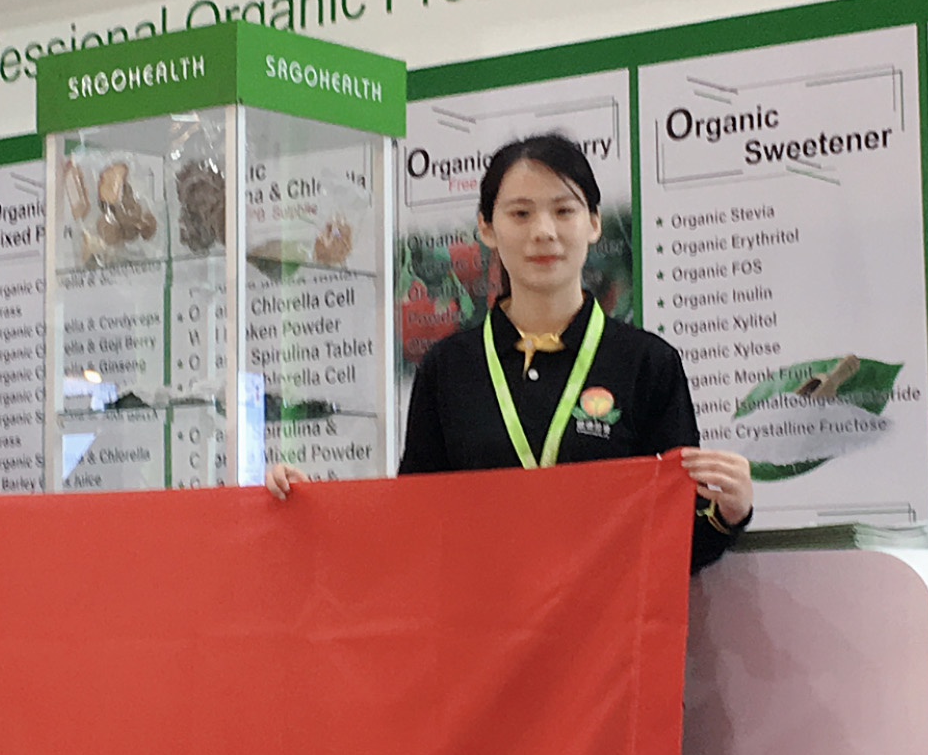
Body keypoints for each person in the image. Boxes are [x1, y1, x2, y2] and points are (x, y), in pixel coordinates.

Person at [269, 133, 754, 565]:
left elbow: (678, 543)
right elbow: (414, 527)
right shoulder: (448, 368)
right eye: (520, 213)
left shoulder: (647, 364)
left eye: (563, 211)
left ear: (593, 223)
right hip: (481, 632)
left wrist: (729, 513)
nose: (543, 231)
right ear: (486, 228)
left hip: (608, 635)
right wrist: (316, 508)